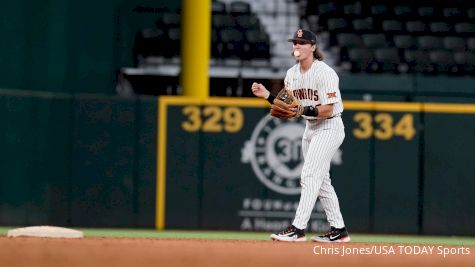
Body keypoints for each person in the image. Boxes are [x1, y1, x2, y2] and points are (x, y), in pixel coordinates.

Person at [251, 29, 350, 243]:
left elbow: (329, 109)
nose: (296, 46)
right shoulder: (292, 74)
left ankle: (298, 228)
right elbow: (288, 106)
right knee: (322, 182)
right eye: (295, 43)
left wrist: (304, 110)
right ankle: (339, 230)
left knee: (309, 176)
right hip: (310, 128)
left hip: (329, 126)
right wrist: (268, 95)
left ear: (313, 47)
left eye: (302, 43)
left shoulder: (324, 72)